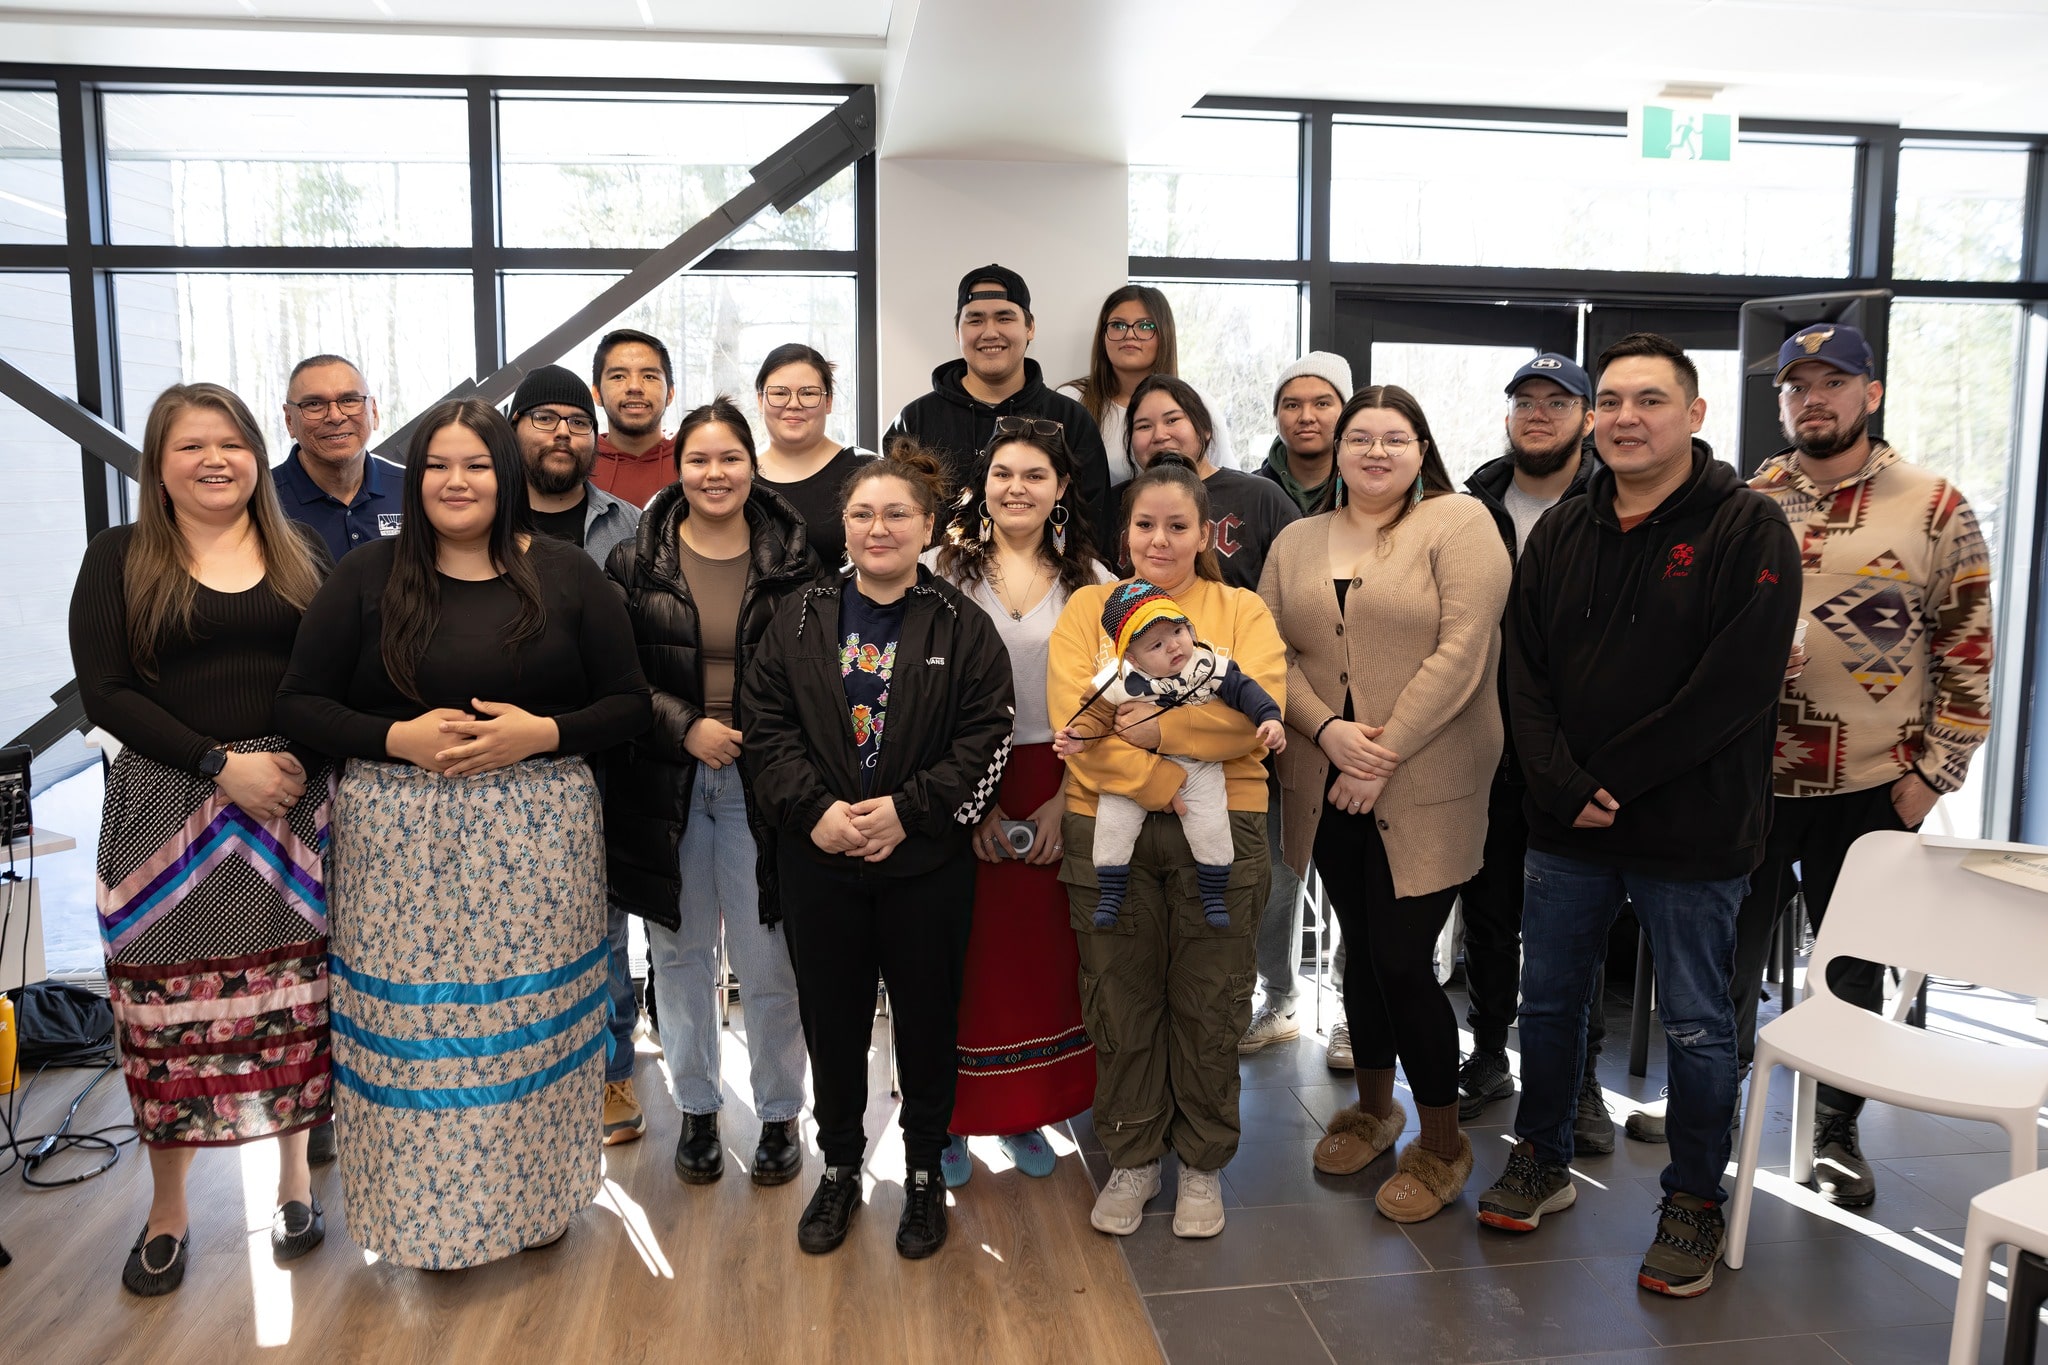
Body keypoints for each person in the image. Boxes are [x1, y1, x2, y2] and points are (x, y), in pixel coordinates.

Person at [277, 398, 651, 1269]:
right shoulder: (367, 575)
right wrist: (393, 737)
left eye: (477, 464)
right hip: (397, 842)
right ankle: (424, 1225)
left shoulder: (566, 575)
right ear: (417, 480)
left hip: (538, 835)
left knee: (537, 1024)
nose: (457, 481)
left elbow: (630, 703)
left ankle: (539, 1200)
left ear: (505, 475)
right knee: (420, 1042)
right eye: (439, 464)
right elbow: (298, 701)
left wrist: (542, 732)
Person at [1480, 333, 1800, 1299]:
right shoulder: (1565, 530)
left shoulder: (1749, 528)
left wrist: (1606, 775)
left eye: (1649, 400)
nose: (1626, 417)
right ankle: (1541, 1153)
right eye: (1611, 400)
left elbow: (1733, 687)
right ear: (1590, 417)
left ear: (1693, 416)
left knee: (1701, 1027)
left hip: (1693, 831)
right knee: (1550, 1001)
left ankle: (1694, 1199)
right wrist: (1559, 779)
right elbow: (1522, 668)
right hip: (1566, 828)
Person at [70, 382, 335, 1296]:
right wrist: (220, 763)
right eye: (191, 446)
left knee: (290, 1000)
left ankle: (296, 1184)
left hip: (290, 815)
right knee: (160, 1016)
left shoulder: (298, 556)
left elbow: (333, 678)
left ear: (258, 455)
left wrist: (292, 759)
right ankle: (169, 1207)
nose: (215, 459)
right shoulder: (119, 558)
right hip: (165, 809)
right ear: (159, 463)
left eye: (231, 442)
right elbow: (105, 693)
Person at [1725, 322, 1993, 1206]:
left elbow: (1969, 649)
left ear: (1869, 394)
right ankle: (1711, 1109)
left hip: (1873, 783)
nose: (1813, 398)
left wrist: (1931, 779)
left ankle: (1834, 1131)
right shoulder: (1748, 498)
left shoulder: (1933, 504)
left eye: (1831, 382)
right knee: (1723, 950)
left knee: (1848, 969)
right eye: (1796, 386)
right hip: (1752, 778)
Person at [742, 444, 1015, 1261]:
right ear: (844, 524)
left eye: (897, 513)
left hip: (925, 863)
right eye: (862, 513)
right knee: (833, 1020)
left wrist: (908, 811)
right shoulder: (797, 617)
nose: (878, 527)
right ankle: (841, 1166)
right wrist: (816, 811)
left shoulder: (964, 624)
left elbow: (986, 737)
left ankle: (926, 1169)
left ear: (927, 525)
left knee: (928, 1019)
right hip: (819, 860)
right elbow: (764, 726)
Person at [1259, 386, 1511, 1224]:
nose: (1373, 451)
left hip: (1430, 775)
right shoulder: (1296, 540)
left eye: (1392, 438)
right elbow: (1268, 650)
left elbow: (1464, 649)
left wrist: (1382, 751)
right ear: (1335, 449)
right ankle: (1374, 1108)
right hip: (1323, 773)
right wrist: (1329, 733)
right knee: (1361, 948)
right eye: (1358, 437)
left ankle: (1442, 1143)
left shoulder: (1460, 522)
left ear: (1420, 447)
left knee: (1404, 956)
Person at [1048, 452, 1284, 1242]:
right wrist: (1164, 777)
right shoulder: (1090, 607)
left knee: (1212, 995)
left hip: (1226, 823)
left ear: (1203, 531)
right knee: (1119, 994)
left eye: (1177, 525)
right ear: (1125, 532)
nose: (1159, 538)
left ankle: (1205, 1162)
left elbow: (1257, 718)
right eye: (1145, 524)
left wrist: (1153, 727)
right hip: (1107, 825)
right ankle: (1134, 1156)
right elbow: (1075, 724)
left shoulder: (1240, 609)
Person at [604, 397, 816, 1190]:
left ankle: (777, 1113)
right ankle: (696, 1107)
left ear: (751, 464)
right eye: (699, 459)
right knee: (680, 955)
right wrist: (687, 725)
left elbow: (816, 675)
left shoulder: (797, 560)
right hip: (669, 779)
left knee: (769, 960)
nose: (714, 473)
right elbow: (619, 679)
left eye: (729, 457)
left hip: (766, 783)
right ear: (678, 466)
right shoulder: (635, 561)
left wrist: (763, 737)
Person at [926, 425, 1110, 1188]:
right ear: (984, 483)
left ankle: (1029, 1110)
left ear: (1062, 487)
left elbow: (1110, 696)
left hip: (1062, 768)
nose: (1018, 487)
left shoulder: (1093, 578)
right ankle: (947, 1118)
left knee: (1040, 963)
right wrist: (975, 807)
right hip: (960, 773)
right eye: (1003, 473)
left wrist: (1070, 797)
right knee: (958, 961)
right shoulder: (943, 570)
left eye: (1036, 474)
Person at [1455, 354, 1610, 1150]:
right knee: (1489, 913)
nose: (1539, 414)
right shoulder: (1471, 502)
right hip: (1485, 744)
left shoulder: (1612, 503)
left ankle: (1580, 1080)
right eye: (1525, 401)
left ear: (1588, 418)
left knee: (1570, 924)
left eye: (1559, 401)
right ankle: (1487, 1054)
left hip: (1574, 751)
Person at [508, 363, 647, 1145]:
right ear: (514, 430)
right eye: (544, 418)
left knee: (603, 923)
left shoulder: (629, 525)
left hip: (602, 752)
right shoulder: (480, 522)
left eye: (575, 420)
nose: (563, 433)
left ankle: (612, 1071)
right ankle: (523, 1073)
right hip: (497, 765)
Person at [1055, 582, 1284, 928]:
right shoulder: (1118, 677)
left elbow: (1246, 690)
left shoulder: (1204, 663)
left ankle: (1212, 894)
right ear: (1131, 657)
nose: (1174, 646)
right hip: (1132, 769)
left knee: (1211, 826)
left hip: (1199, 764)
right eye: (1156, 645)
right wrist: (1079, 738)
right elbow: (1092, 715)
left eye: (1177, 630)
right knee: (1113, 824)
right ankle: (1111, 892)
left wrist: (1269, 716)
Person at [884, 263, 1113, 543]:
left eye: (1004, 318)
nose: (990, 332)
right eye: (975, 320)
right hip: (933, 582)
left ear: (1030, 327)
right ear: (957, 332)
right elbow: (892, 518)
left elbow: (1094, 528)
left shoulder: (1070, 419)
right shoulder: (915, 420)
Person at [1123, 375, 1298, 593]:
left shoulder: (1261, 497)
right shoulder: (1116, 501)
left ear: (1204, 428)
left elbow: (1299, 588)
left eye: (1172, 420)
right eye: (1144, 426)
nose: (1159, 435)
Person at [1058, 285, 1234, 485]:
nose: (1129, 335)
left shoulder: (1199, 402)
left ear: (1164, 335)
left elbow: (1224, 481)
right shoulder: (1071, 400)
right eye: (1118, 325)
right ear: (1102, 335)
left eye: (1145, 326)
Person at [753, 342, 875, 571]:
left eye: (808, 393)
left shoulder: (866, 471)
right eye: (779, 393)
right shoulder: (738, 474)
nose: (794, 404)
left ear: (828, 402)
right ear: (760, 400)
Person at [271, 353, 404, 561]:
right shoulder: (262, 499)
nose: (335, 416)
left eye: (349, 400)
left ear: (374, 412)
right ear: (289, 420)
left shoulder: (414, 488)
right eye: (314, 404)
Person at [591, 328, 679, 508]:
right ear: (596, 393)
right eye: (618, 376)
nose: (634, 386)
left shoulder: (695, 459)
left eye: (649, 376)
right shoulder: (579, 463)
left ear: (670, 393)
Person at [1257, 352, 1352, 516]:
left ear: (1347, 413)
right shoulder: (1253, 493)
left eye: (1322, 404)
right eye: (1292, 406)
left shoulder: (1363, 492)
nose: (1306, 417)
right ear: (1275, 415)